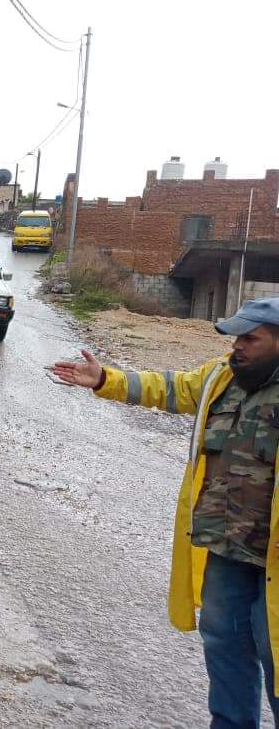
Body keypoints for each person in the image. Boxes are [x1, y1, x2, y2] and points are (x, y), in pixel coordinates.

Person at [52, 297, 279, 728]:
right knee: (225, 648)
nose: (238, 347)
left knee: (278, 658)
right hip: (226, 549)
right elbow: (170, 388)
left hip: (275, 562)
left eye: (251, 338)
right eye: (235, 337)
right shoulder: (220, 377)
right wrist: (106, 379)